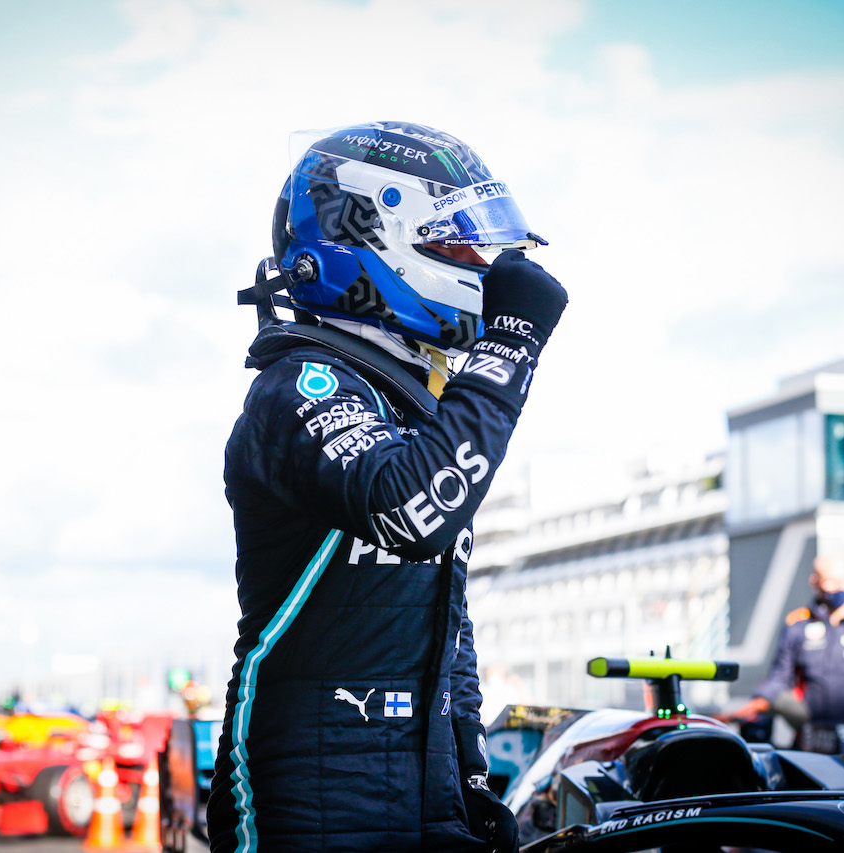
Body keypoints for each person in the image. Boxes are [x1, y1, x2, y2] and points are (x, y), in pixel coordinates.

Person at [207, 121, 568, 853]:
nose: (483, 266)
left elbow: (445, 620)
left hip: (422, 779)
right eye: (458, 245)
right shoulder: (298, 387)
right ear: (374, 239)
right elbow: (410, 511)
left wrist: (469, 773)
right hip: (309, 791)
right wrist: (508, 346)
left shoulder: (409, 402)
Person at [725, 553, 844, 747]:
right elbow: (778, 678)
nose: (840, 587)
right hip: (812, 737)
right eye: (831, 581)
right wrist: (755, 704)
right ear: (815, 582)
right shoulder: (798, 624)